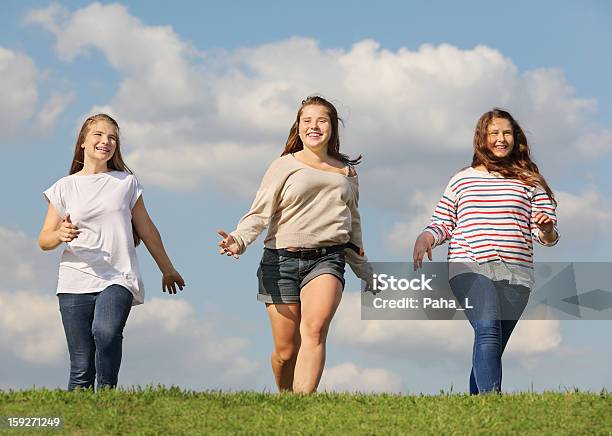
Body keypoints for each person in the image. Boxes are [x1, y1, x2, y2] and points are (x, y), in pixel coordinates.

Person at [217, 96, 371, 393]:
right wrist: (238, 240)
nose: (314, 126)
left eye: (321, 120)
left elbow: (352, 225)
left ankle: (303, 406)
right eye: (307, 121)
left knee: (314, 331)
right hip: (280, 261)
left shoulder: (347, 173)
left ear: (332, 128)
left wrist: (364, 270)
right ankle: (286, 399)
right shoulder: (283, 165)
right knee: (286, 351)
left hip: (327, 259)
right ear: (298, 127)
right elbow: (260, 212)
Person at [413, 108, 559, 394]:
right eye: (494, 133)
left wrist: (547, 229)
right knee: (489, 327)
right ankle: (494, 401)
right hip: (469, 266)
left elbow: (546, 234)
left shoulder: (530, 181)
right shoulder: (462, 180)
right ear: (482, 138)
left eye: (506, 133)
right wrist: (427, 237)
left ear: (516, 139)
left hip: (517, 274)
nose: (500, 139)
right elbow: (443, 221)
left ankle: (476, 411)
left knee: (489, 341)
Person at [38, 114, 185, 390]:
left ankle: (107, 394)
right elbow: (44, 239)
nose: (106, 141)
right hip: (74, 280)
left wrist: (167, 269)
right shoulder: (63, 187)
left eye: (112, 138)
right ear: (83, 141)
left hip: (118, 276)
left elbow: (148, 230)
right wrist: (59, 234)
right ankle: (78, 427)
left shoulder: (125, 183)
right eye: (99, 135)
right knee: (81, 367)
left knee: (105, 332)